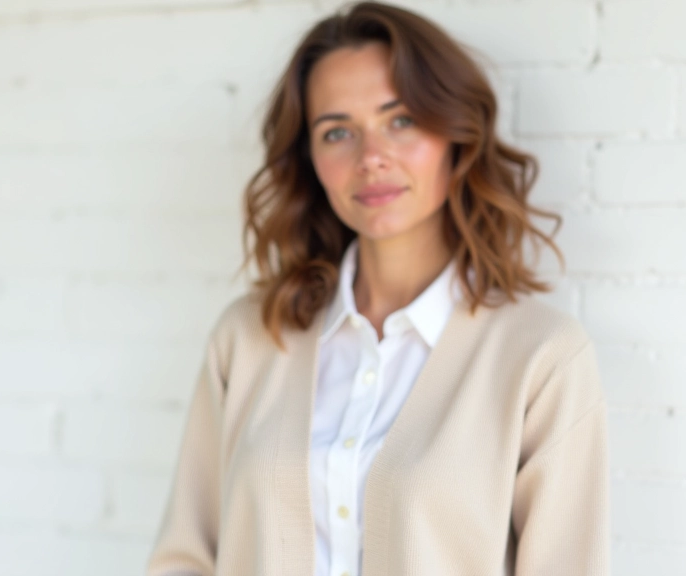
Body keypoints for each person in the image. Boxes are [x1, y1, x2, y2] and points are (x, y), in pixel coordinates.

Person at [146, 2, 609, 575]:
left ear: (456, 134)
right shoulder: (249, 338)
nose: (371, 158)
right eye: (337, 132)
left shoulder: (540, 357)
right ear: (310, 159)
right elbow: (186, 556)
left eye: (401, 120)